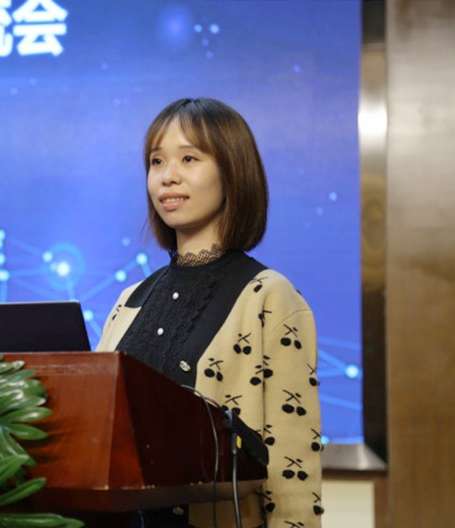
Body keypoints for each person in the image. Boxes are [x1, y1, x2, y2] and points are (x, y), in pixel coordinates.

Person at [97, 98, 323, 528]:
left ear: (232, 171)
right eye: (156, 161)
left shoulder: (268, 297)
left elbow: (293, 473)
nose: (168, 176)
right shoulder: (129, 300)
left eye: (189, 158)